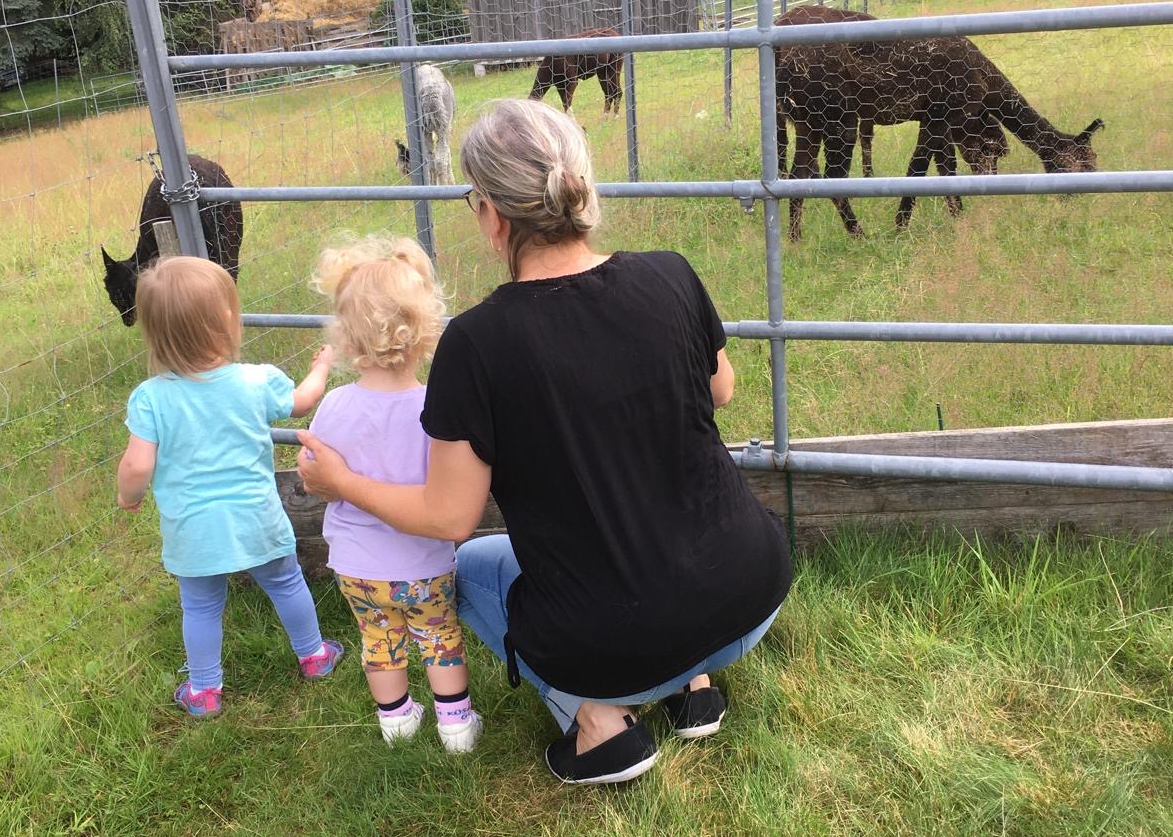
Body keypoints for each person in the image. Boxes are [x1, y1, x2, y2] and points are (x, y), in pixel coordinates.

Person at [297, 100, 793, 785]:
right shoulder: (671, 274)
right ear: (579, 188)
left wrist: (341, 484)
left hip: (616, 642)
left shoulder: (476, 344)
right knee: (658, 532)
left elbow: (448, 517)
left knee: (466, 565)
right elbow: (721, 389)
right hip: (751, 592)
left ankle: (599, 725)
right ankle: (695, 687)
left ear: (494, 215)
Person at [116, 255, 343, 717]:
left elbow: (138, 465)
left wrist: (128, 496)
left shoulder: (151, 398)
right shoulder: (255, 381)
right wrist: (321, 366)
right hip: (256, 517)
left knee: (199, 606)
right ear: (226, 322)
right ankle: (314, 656)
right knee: (285, 581)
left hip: (192, 529)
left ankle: (204, 690)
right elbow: (302, 403)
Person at [307, 235, 481, 752]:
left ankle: (397, 723)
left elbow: (315, 469)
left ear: (346, 336)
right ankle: (456, 728)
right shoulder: (435, 408)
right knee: (439, 636)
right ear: (425, 331)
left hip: (358, 566)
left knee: (379, 640)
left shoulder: (334, 406)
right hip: (424, 562)